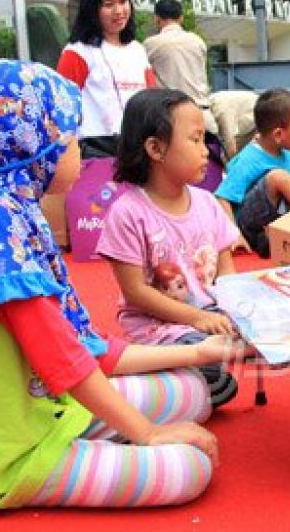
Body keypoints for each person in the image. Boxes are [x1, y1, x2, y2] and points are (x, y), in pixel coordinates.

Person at [0, 60, 247, 510]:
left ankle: (101, 427)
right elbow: (65, 359)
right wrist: (146, 434)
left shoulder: (3, 207)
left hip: (44, 404)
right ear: (30, 146)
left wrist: (200, 352)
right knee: (191, 467)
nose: (80, 150)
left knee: (194, 391)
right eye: (68, 137)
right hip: (8, 449)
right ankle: (60, 457)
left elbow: (86, 348)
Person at [96, 88, 242, 407]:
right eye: (195, 139)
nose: (206, 151)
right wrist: (194, 318)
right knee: (207, 360)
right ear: (156, 148)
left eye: (205, 140)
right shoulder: (128, 212)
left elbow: (226, 267)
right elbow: (136, 292)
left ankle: (191, 385)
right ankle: (173, 379)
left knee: (257, 331)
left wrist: (237, 307)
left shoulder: (207, 202)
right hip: (160, 326)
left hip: (209, 313)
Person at [57, 0, 155, 158]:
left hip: (137, 149)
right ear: (92, 9)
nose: (119, 11)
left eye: (123, 2)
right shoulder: (77, 52)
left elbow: (152, 100)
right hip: (95, 150)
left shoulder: (137, 50)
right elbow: (62, 108)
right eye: (109, 5)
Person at [214, 89, 290, 258]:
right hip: (250, 226)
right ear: (278, 134)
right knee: (278, 177)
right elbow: (223, 198)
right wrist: (234, 235)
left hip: (278, 226)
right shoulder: (249, 159)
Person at [144, 0, 213, 128]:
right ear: (181, 18)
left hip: (172, 116)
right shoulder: (198, 41)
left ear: (156, 19)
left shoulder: (150, 44)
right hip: (203, 114)